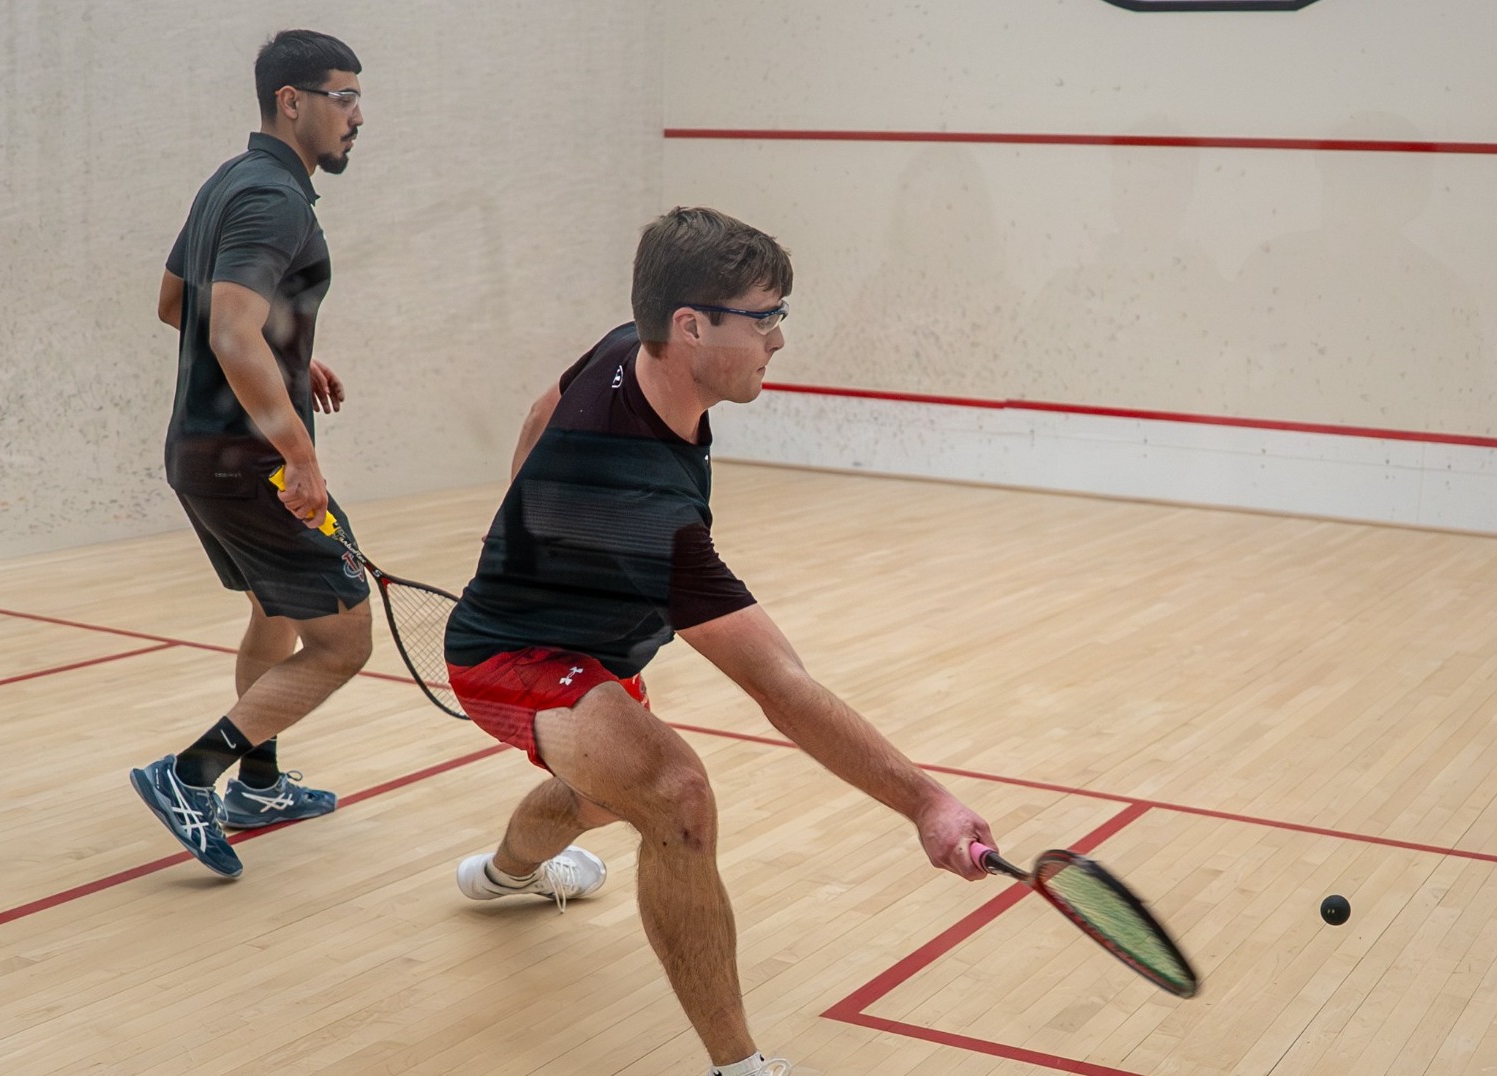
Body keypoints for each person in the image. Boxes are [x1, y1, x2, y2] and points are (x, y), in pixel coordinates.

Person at [443, 207, 998, 1076]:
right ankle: (738, 1067)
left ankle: (504, 875)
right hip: (510, 657)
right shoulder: (644, 508)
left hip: (593, 649)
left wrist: (516, 526)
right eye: (764, 317)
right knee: (675, 796)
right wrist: (926, 804)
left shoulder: (626, 347)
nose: (778, 339)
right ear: (691, 326)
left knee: (600, 796)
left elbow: (542, 406)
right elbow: (780, 687)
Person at [129, 30, 372, 879]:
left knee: (276, 613)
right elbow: (230, 330)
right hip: (252, 466)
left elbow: (176, 304)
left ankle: (258, 786)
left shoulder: (228, 182)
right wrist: (299, 454)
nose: (357, 116)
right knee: (343, 642)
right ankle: (191, 774)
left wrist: (290, 351)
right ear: (291, 101)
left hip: (201, 454)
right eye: (343, 97)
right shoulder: (275, 200)